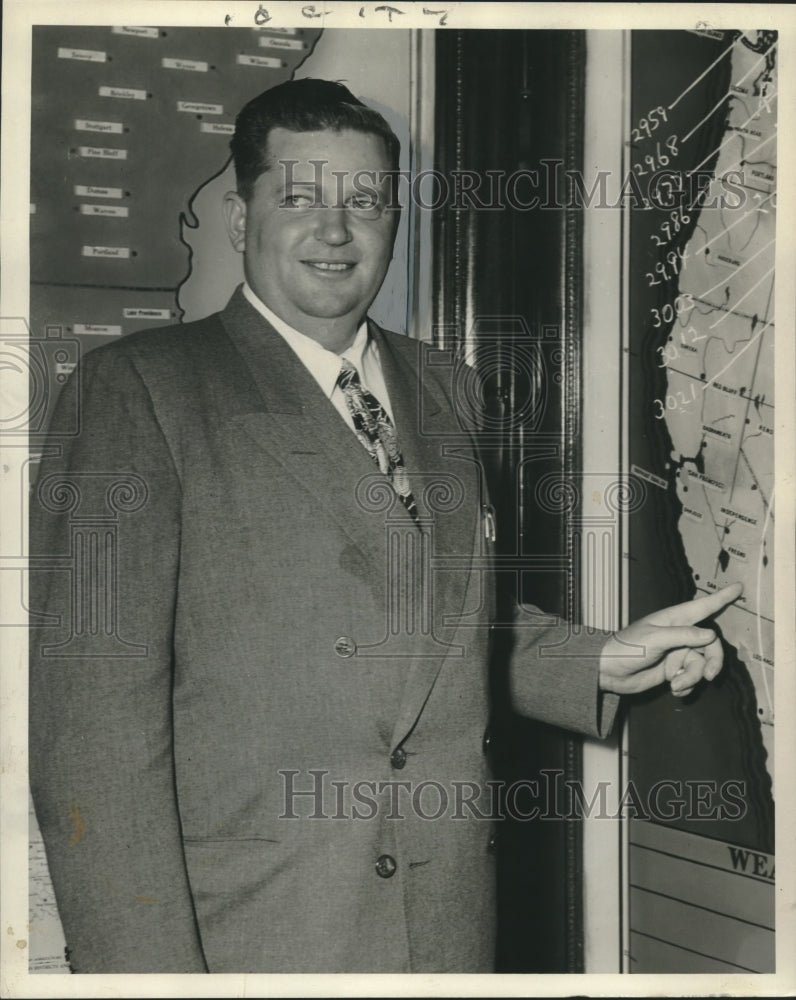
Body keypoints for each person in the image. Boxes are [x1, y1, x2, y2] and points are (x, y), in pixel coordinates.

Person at [29, 78, 742, 974]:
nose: (337, 231)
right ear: (242, 217)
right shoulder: (139, 392)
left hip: (445, 925)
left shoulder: (448, 391)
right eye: (301, 198)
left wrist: (599, 657)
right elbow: (91, 743)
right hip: (256, 936)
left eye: (366, 202)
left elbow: (427, 628)